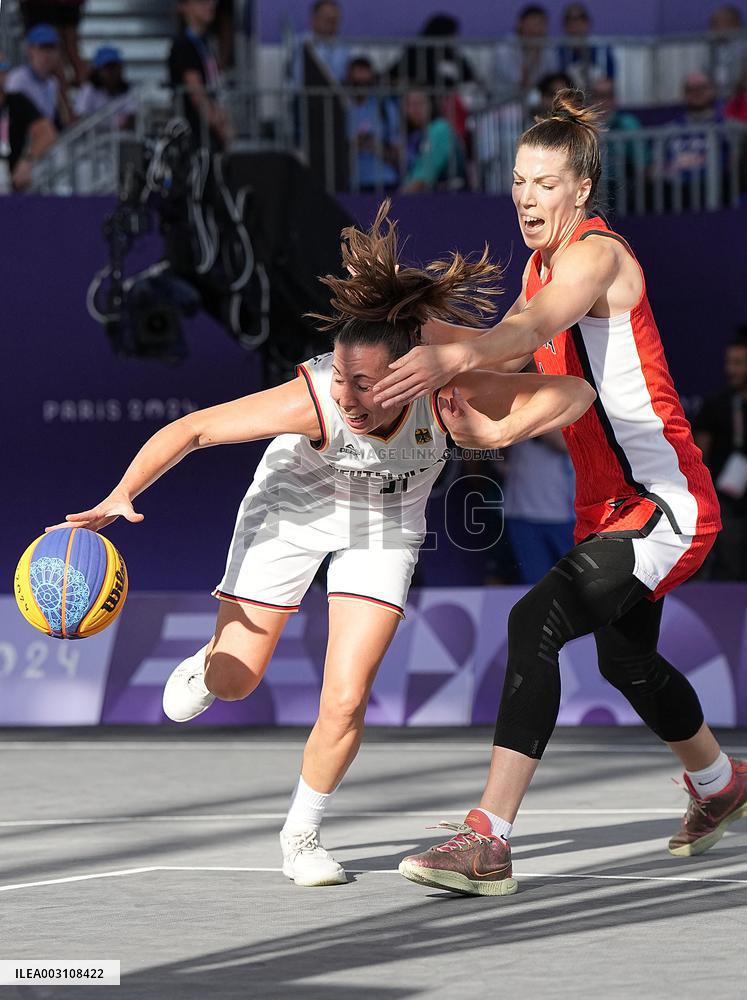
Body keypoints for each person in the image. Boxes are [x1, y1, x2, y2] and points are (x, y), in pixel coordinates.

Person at [47, 202, 595, 889]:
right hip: (292, 509)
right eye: (341, 376)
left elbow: (572, 391)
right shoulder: (316, 399)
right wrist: (120, 494)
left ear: (408, 373)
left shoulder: (448, 389)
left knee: (344, 696)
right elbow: (193, 430)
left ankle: (301, 835)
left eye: (364, 382)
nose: (349, 393)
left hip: (384, 526)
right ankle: (211, 662)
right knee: (235, 682)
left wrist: (490, 435)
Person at [371, 90, 741, 897]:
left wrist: (450, 361)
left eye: (543, 183)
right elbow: (503, 365)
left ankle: (487, 839)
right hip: (609, 507)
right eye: (516, 181)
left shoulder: (595, 257)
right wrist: (412, 333)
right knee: (625, 659)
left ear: (579, 191)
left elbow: (529, 334)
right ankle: (720, 786)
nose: (526, 198)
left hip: (664, 498)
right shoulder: (542, 268)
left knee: (532, 618)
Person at [693, 336, 747, 580]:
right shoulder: (716, 404)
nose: (731, 369)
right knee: (730, 565)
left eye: (739, 363)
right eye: (729, 362)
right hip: (726, 502)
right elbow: (700, 454)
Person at [502, 431, 575, 584]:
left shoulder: (568, 408)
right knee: (534, 585)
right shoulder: (514, 409)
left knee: (576, 580)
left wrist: (528, 422)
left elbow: (564, 444)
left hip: (563, 511)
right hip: (520, 509)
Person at [169, 0, 232, 149]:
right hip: (196, 137)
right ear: (185, 7)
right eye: (202, 2)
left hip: (211, 133)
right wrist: (222, 129)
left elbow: (214, 84)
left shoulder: (206, 42)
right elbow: (197, 95)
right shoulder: (183, 44)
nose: (210, 5)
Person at [0, 52, 57, 192]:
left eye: (4, 68)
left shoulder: (17, 101)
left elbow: (47, 133)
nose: (3, 73)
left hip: (11, 183)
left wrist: (27, 161)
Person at [345, 56, 400, 192]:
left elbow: (398, 153)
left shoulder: (386, 108)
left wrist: (375, 147)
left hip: (385, 182)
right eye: (357, 83)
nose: (361, 88)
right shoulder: (339, 109)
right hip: (351, 185)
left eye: (366, 83)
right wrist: (354, 145)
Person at [401, 88, 465, 192]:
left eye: (420, 103)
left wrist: (399, 200)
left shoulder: (440, 128)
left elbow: (425, 175)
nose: (415, 109)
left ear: (430, 105)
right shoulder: (416, 136)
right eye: (410, 104)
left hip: (452, 198)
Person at [493, 5, 558, 104]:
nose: (536, 30)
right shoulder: (504, 49)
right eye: (533, 24)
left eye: (541, 24)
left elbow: (552, 80)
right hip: (505, 102)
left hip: (539, 103)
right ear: (520, 24)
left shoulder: (548, 48)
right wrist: (533, 55)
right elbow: (522, 83)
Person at [6, 24, 69, 125]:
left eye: (52, 48)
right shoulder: (17, 79)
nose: (48, 53)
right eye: (43, 47)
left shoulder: (52, 82)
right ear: (30, 50)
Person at [19, 0, 87, 86]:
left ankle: (71, 93)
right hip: (55, 6)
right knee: (68, 50)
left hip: (47, 6)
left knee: (63, 52)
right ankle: (72, 93)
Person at [74, 47, 136, 129]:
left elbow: (131, 118)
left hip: (121, 139)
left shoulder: (129, 91)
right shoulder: (89, 90)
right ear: (98, 71)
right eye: (108, 68)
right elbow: (80, 118)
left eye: (115, 67)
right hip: (92, 139)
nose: (113, 72)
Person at [558, 3, 614, 91]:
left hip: (597, 100)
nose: (575, 25)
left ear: (588, 23)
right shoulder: (559, 50)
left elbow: (611, 80)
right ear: (565, 26)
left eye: (580, 19)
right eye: (570, 20)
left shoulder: (602, 48)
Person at [293, 0, 349, 84]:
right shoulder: (301, 42)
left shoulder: (343, 46)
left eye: (334, 21)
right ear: (314, 19)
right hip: (307, 94)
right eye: (327, 20)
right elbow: (298, 77)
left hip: (336, 94)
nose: (331, 25)